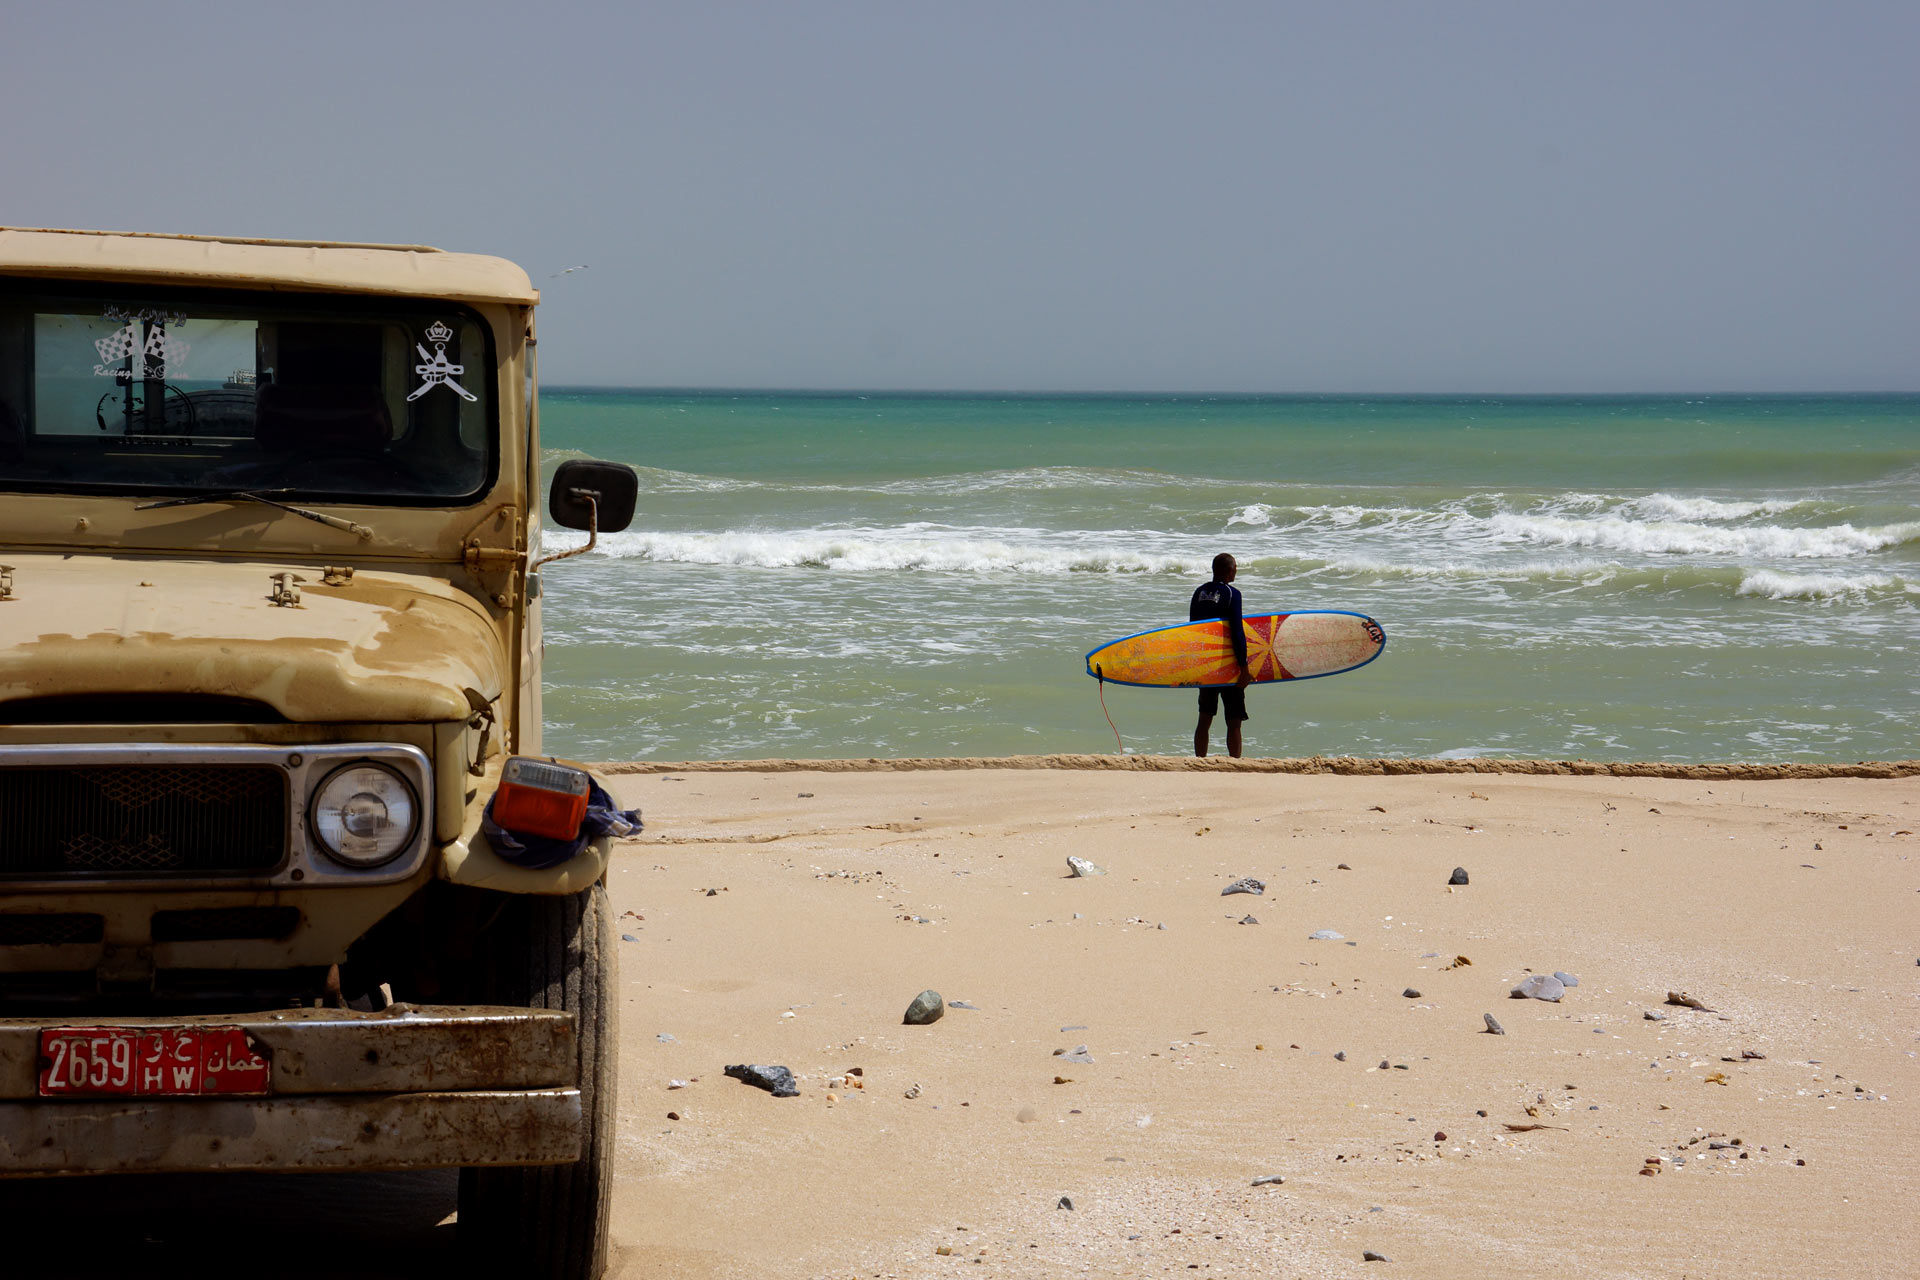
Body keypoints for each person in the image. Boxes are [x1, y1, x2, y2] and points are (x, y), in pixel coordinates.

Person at [1191, 552, 1252, 758]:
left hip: (1207, 665)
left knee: (1204, 717)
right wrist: (1244, 667)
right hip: (1228, 665)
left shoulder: (1198, 593)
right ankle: (1235, 762)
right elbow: (1237, 632)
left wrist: (1197, 665)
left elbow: (1193, 631)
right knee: (1234, 720)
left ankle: (1200, 762)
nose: (1236, 571)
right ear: (1228, 570)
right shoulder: (1232, 594)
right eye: (1235, 567)